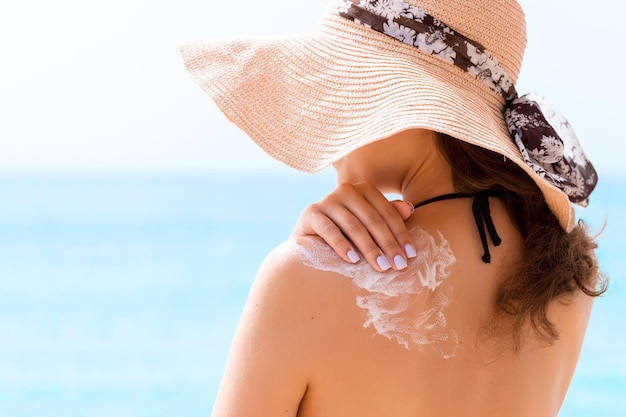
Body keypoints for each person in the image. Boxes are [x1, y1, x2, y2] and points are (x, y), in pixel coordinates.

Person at [179, 0, 606, 416]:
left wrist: (305, 260)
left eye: (344, 82)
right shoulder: (566, 277)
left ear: (411, 103)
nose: (329, 114)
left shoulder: (302, 278)